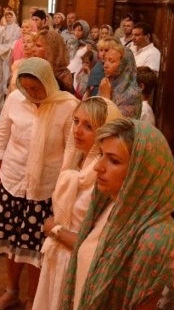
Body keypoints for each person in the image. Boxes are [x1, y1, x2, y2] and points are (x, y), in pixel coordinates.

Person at [60, 119, 174, 310]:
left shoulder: (159, 238)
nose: (98, 167)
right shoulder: (108, 206)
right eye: (101, 155)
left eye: (114, 160)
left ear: (141, 171)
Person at [0, 57, 78, 310]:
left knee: (37, 250)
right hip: (12, 180)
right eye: (26, 88)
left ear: (48, 82)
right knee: (10, 243)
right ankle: (11, 291)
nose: (31, 94)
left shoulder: (68, 106)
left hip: (45, 189)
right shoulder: (16, 99)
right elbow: (1, 136)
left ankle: (32, 299)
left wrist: (63, 192)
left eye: (36, 89)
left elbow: (72, 151)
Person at [32, 97, 122, 310]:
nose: (77, 130)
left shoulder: (104, 178)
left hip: (78, 263)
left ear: (105, 132)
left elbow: (99, 245)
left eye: (88, 126)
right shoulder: (75, 162)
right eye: (76, 121)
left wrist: (54, 230)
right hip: (58, 259)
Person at [98, 43, 142, 119]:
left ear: (124, 65)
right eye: (105, 60)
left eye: (111, 61)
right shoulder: (106, 83)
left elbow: (116, 124)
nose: (105, 65)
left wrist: (105, 97)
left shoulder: (133, 94)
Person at [32, 29, 75, 95]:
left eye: (38, 46)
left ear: (51, 50)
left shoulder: (64, 77)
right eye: (34, 45)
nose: (33, 49)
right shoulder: (33, 70)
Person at [67, 20, 95, 89]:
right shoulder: (71, 42)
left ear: (85, 31)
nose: (76, 33)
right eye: (75, 30)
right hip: (68, 70)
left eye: (79, 30)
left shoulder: (89, 45)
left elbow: (89, 61)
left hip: (79, 72)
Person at [1, 9, 21, 95]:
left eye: (10, 17)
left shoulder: (17, 28)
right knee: (3, 69)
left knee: (10, 68)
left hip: (11, 49)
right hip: (3, 50)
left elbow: (15, 40)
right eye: (7, 17)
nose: (8, 19)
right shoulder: (3, 28)